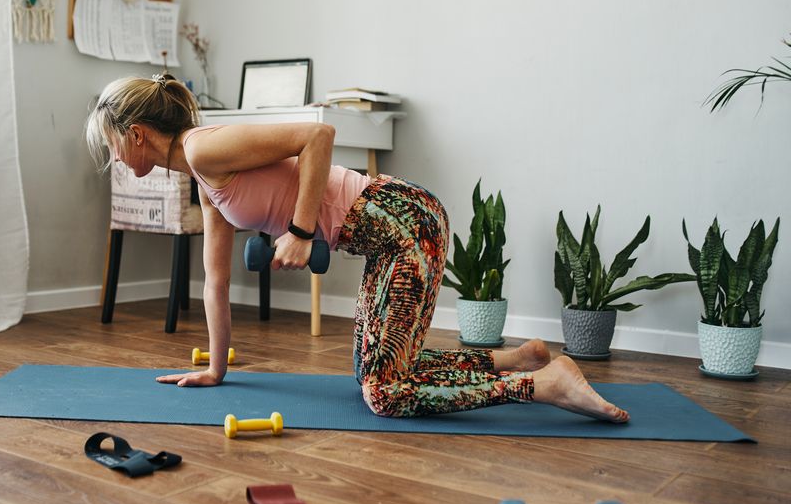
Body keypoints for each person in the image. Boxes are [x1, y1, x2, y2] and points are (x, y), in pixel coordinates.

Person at [84, 74, 629, 423]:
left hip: (406, 221)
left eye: (109, 143)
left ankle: (542, 384)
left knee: (386, 394)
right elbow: (217, 284)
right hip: (386, 240)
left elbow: (317, 137)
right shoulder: (205, 182)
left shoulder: (204, 148)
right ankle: (515, 359)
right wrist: (217, 370)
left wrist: (298, 232)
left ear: (135, 133)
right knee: (377, 371)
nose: (111, 156)